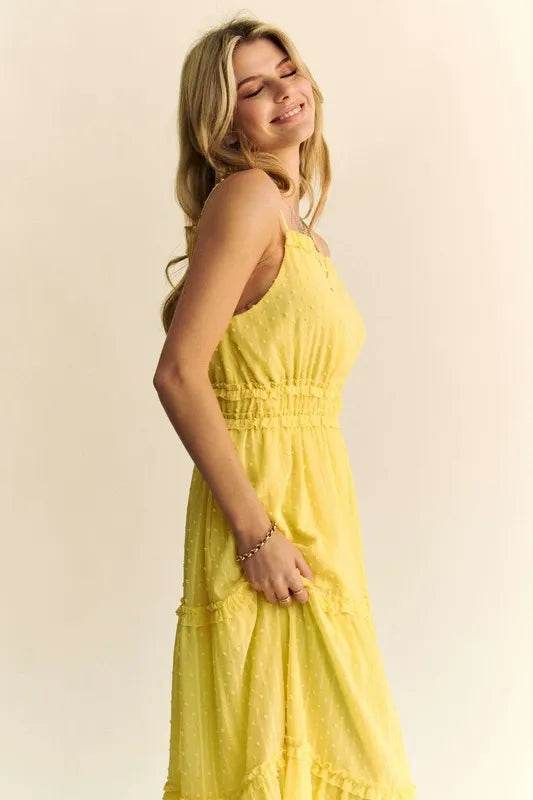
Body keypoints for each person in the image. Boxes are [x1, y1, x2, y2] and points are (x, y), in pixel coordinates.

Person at [153, 12, 416, 800]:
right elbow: (178, 374)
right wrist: (255, 533)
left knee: (325, 745)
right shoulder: (246, 199)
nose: (282, 92)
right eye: (252, 88)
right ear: (222, 122)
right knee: (276, 748)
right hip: (261, 510)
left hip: (316, 506)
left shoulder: (302, 234)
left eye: (287, 71)